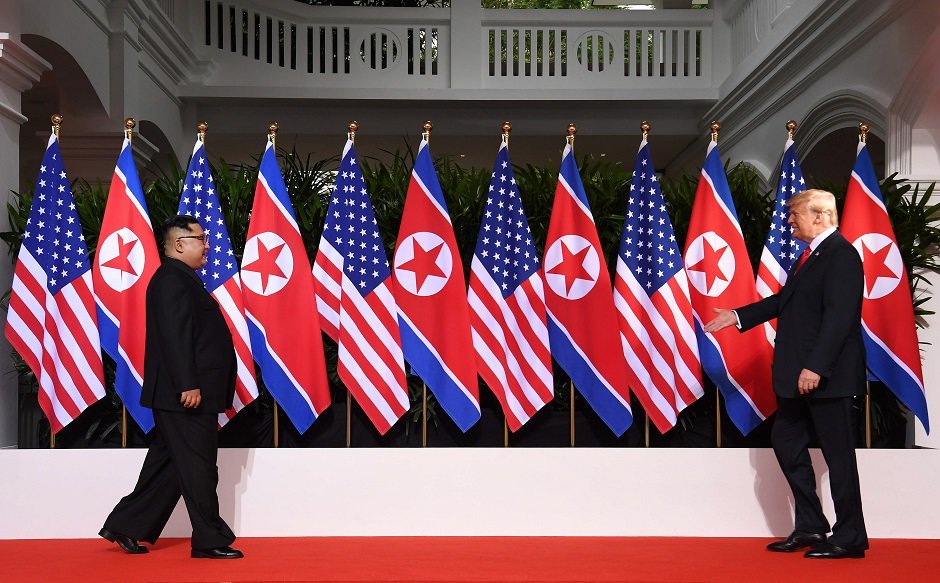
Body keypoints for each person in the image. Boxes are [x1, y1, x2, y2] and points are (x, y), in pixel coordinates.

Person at [704, 189, 868, 559]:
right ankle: (810, 526)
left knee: (839, 457)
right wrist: (738, 316)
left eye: (795, 215)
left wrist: (816, 366)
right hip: (798, 377)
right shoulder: (811, 257)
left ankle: (851, 537)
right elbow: (785, 302)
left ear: (820, 216)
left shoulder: (841, 255)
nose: (789, 221)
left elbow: (840, 318)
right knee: (787, 443)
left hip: (825, 377)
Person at [99, 215, 243, 559]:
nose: (207, 245)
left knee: (169, 466)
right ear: (180, 244)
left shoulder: (182, 278)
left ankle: (125, 525)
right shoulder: (171, 280)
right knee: (199, 467)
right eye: (201, 239)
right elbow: (174, 337)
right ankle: (209, 539)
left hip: (185, 394)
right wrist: (188, 384)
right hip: (185, 395)